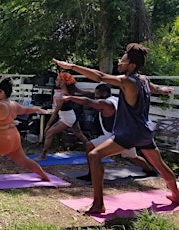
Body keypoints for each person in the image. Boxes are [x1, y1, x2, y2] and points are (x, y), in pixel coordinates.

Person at [53, 42, 179, 213]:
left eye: (122, 60)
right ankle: (176, 195)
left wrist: (73, 66)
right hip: (145, 132)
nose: (119, 62)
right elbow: (156, 89)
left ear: (132, 65)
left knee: (94, 155)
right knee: (160, 166)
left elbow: (100, 77)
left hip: (129, 133)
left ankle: (98, 205)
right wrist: (166, 90)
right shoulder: (143, 80)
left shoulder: (128, 81)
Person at [62, 83, 157, 181]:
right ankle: (150, 170)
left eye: (97, 94)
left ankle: (93, 175)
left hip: (115, 137)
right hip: (125, 135)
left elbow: (87, 101)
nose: (95, 97)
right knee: (133, 157)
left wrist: (70, 98)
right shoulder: (116, 100)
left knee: (91, 147)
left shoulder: (107, 104)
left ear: (104, 93)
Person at [34, 72, 90, 161]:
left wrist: (48, 125)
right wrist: (94, 93)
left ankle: (42, 156)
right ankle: (91, 150)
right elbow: (84, 92)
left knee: (49, 133)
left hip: (67, 117)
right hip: (71, 115)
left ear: (63, 81)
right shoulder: (71, 90)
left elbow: (55, 113)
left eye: (57, 79)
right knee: (79, 134)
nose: (55, 81)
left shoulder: (62, 96)